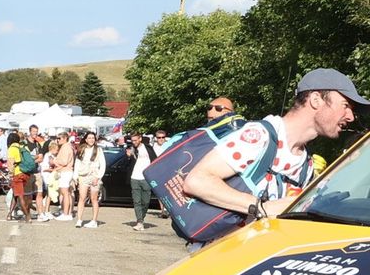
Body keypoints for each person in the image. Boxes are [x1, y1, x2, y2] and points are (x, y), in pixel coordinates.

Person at [183, 68, 365, 219]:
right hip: (220, 257)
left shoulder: (305, 162)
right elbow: (197, 181)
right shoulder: (259, 136)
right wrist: (261, 207)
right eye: (346, 105)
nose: (350, 117)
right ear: (316, 100)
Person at [127, 130, 159, 231]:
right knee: (137, 201)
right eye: (132, 140)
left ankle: (142, 218)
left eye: (135, 140)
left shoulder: (148, 148)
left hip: (146, 178)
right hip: (135, 177)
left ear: (140, 139)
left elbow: (155, 161)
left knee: (145, 201)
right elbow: (129, 162)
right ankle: (139, 221)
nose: (134, 142)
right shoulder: (131, 149)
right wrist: (129, 156)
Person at [74, 130, 106, 228]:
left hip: (94, 175)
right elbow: (77, 163)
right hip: (83, 176)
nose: (91, 140)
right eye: (89, 138)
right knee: (82, 198)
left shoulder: (98, 150)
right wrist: (75, 176)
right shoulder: (82, 149)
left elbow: (103, 164)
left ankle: (94, 220)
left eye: (93, 138)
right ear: (86, 139)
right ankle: (79, 220)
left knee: (94, 199)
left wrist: (98, 177)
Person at [7, 130, 33, 222]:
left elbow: (11, 164)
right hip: (25, 173)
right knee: (15, 194)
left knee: (20, 195)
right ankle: (9, 214)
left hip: (17, 174)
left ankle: (27, 216)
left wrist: (10, 175)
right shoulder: (22, 147)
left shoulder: (11, 149)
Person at [50, 131, 76, 220]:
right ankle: (67, 213)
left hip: (65, 172)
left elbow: (64, 161)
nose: (58, 140)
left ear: (65, 138)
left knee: (65, 193)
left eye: (59, 138)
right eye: (57, 138)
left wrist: (54, 161)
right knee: (67, 193)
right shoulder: (68, 146)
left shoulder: (65, 147)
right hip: (67, 171)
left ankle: (66, 214)